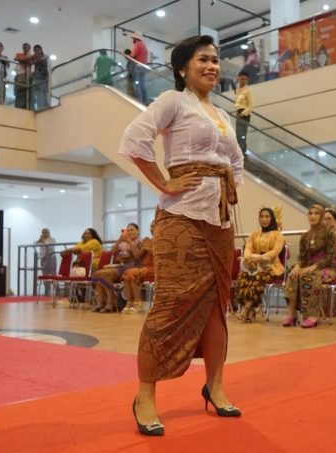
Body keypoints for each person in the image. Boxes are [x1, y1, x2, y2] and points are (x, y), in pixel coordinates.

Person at [118, 34, 244, 436]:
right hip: (182, 218)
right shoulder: (173, 101)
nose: (212, 66)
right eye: (203, 59)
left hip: (220, 222)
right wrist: (163, 182)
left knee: (215, 307)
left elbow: (236, 163)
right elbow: (134, 139)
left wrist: (226, 188)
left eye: (215, 60)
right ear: (182, 68)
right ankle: (145, 396)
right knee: (170, 303)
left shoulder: (221, 114)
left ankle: (216, 386)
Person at [283, 204, 336, 328]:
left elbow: (331, 256)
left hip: (326, 267)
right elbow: (301, 257)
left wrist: (315, 266)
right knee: (292, 274)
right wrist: (297, 266)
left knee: (309, 276)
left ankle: (312, 315)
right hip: (307, 266)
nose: (313, 216)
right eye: (310, 213)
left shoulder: (329, 233)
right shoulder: (305, 236)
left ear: (322, 216)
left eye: (316, 213)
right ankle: (292, 314)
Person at [235, 208, 284, 323]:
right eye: (262, 216)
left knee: (257, 277)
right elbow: (247, 248)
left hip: (271, 266)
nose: (264, 219)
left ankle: (246, 308)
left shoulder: (278, 235)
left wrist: (260, 258)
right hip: (254, 264)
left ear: (272, 218)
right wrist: (249, 258)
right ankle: (252, 311)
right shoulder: (254, 234)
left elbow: (275, 252)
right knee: (244, 277)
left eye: (267, 217)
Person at [91, 224, 145, 313]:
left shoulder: (141, 242)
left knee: (103, 274)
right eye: (128, 230)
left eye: (132, 230)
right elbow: (112, 253)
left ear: (138, 231)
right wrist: (119, 241)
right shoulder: (122, 243)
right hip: (121, 266)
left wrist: (130, 243)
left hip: (133, 267)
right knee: (96, 274)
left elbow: (138, 256)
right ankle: (101, 302)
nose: (130, 232)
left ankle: (111, 302)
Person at [121, 236, 153, 314]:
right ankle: (129, 302)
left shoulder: (162, 240)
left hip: (155, 267)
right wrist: (143, 247)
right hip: (145, 266)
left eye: (154, 226)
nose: (152, 228)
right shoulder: (148, 240)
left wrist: (149, 247)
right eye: (151, 227)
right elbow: (138, 255)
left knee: (133, 274)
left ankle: (137, 302)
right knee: (127, 273)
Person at [233, 70, 254, 154]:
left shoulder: (248, 90)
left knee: (241, 134)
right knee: (238, 134)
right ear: (238, 78)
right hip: (238, 113)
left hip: (244, 114)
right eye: (242, 79)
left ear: (247, 80)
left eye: (245, 79)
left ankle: (242, 151)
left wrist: (243, 114)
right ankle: (241, 151)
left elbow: (251, 105)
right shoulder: (237, 89)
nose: (243, 81)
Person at [35, 228, 56, 295]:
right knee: (45, 275)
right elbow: (34, 244)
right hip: (43, 258)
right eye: (43, 232)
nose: (44, 233)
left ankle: (55, 291)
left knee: (52, 274)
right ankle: (47, 291)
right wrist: (39, 240)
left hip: (51, 258)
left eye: (46, 232)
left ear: (49, 232)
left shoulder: (52, 239)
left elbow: (51, 248)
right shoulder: (41, 240)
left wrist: (43, 242)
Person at [130, 31, 148, 104]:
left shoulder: (137, 44)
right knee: (142, 85)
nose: (132, 39)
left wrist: (129, 56)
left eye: (133, 38)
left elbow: (133, 55)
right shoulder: (143, 45)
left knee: (137, 85)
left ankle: (139, 102)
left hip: (137, 66)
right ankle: (145, 101)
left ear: (135, 38)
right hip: (144, 66)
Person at [31, 44, 50, 110]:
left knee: (45, 92)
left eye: (38, 50)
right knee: (39, 93)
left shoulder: (45, 57)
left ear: (41, 50)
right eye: (35, 50)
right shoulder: (34, 58)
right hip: (37, 78)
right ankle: (41, 108)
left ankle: (46, 106)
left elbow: (45, 64)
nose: (37, 51)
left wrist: (38, 59)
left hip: (44, 77)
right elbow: (30, 63)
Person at [14, 43, 32, 109]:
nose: (26, 48)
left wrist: (26, 59)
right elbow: (17, 59)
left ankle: (26, 107)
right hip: (20, 75)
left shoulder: (30, 56)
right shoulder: (19, 54)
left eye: (27, 47)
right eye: (24, 47)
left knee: (27, 91)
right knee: (20, 90)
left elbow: (30, 62)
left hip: (28, 75)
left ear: (29, 48)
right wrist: (26, 59)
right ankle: (19, 107)